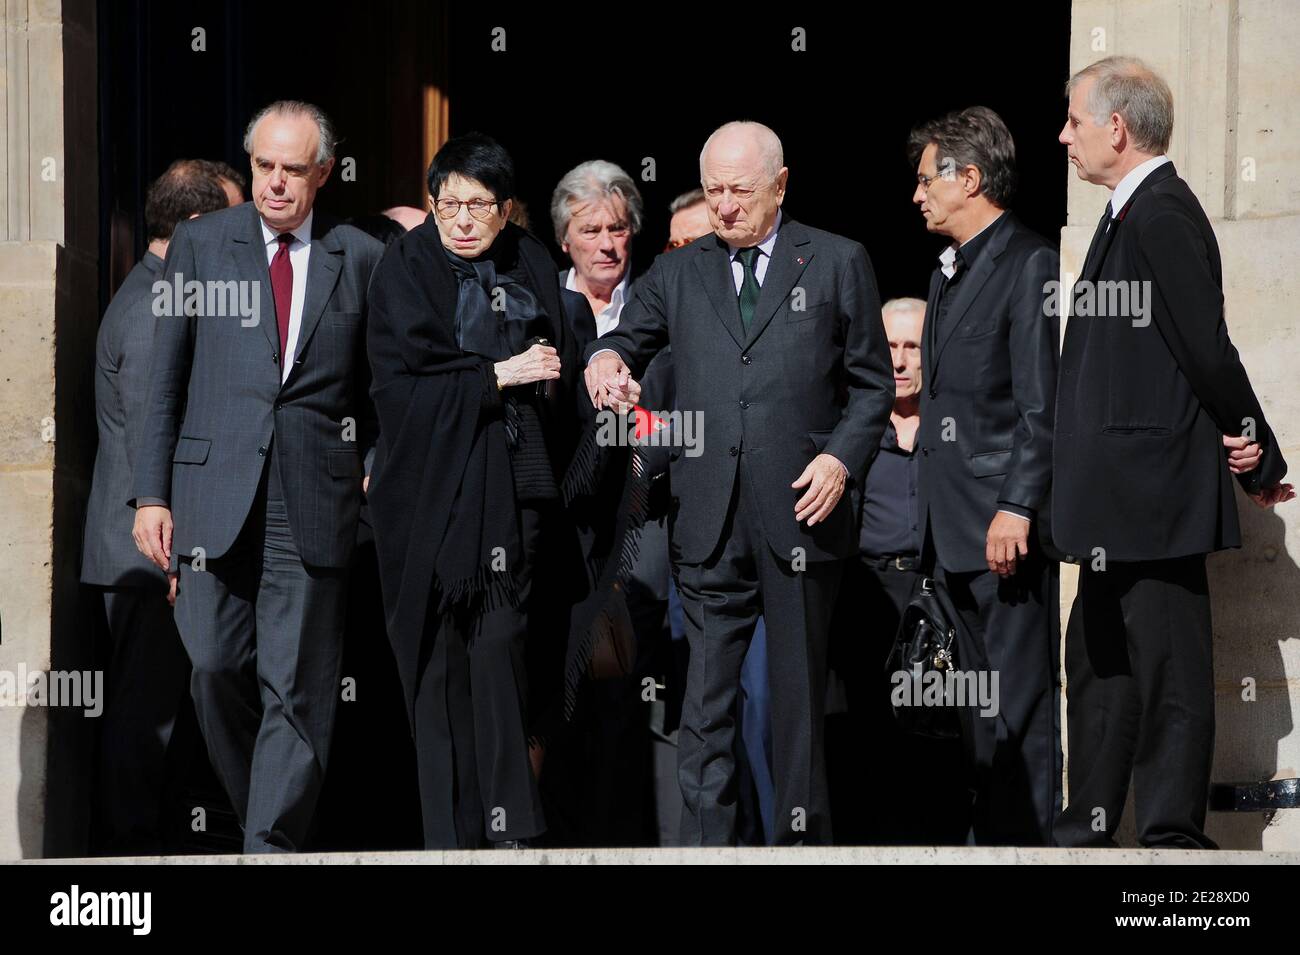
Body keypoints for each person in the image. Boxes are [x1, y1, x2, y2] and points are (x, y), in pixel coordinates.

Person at [585, 120, 895, 845]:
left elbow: (872, 385)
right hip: (708, 517)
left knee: (795, 704)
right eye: (715, 190)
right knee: (704, 705)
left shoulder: (838, 260)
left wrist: (841, 458)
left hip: (801, 512)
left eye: (740, 191)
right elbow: (629, 337)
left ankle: (799, 849)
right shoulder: (682, 270)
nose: (724, 206)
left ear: (780, 186)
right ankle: (704, 850)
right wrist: (604, 358)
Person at [132, 100, 384, 853]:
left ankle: (268, 845)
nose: (275, 184)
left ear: (323, 174)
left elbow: (379, 391)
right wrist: (151, 494)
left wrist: (370, 466)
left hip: (313, 498)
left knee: (299, 690)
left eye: (292, 170)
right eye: (263, 167)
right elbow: (165, 381)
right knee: (211, 666)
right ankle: (261, 814)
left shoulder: (360, 255)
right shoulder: (203, 245)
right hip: (211, 496)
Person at [1053, 56, 1293, 848]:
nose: (1064, 137)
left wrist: (1255, 447)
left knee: (1169, 673)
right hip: (1109, 502)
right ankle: (1085, 829)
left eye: (1074, 122)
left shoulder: (1161, 213)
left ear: (1115, 129)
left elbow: (1207, 349)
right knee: (1101, 670)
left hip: (1153, 495)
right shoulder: (1127, 214)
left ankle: (1169, 840)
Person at [366, 132, 618, 849]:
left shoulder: (533, 262)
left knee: (504, 647)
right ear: (433, 202)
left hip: (519, 488)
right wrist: (493, 376)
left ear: (508, 210)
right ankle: (452, 835)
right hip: (432, 503)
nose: (466, 219)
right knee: (442, 662)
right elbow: (398, 389)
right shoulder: (404, 272)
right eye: (451, 204)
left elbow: (569, 360)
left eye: (482, 205)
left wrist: (594, 367)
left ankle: (511, 823)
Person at [908, 106, 1062, 845]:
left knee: (1020, 706)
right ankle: (990, 844)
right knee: (974, 712)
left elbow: (1041, 404)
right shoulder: (946, 275)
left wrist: (1017, 505)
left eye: (925, 179)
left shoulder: (1029, 261)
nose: (916, 196)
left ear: (969, 178)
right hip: (948, 534)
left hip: (1003, 531)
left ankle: (1027, 851)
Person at [81, 159, 233, 854]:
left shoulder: (171, 294)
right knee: (147, 722)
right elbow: (155, 440)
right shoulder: (151, 309)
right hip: (146, 558)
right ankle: (129, 863)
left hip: (159, 555)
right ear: (199, 225)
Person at [825, 296, 972, 845]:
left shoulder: (955, 428)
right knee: (866, 739)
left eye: (913, 346)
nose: (901, 360)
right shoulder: (848, 432)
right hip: (866, 596)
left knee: (941, 740)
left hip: (940, 595)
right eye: (890, 347)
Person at [552, 160, 643, 336]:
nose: (607, 245)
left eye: (617, 229)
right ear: (564, 239)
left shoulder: (658, 296)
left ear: (633, 230)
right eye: (591, 231)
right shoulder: (542, 299)